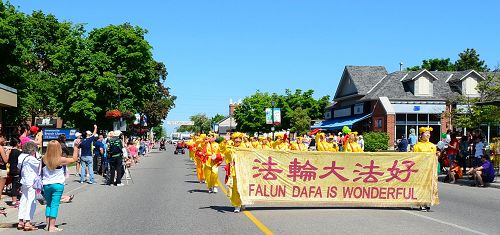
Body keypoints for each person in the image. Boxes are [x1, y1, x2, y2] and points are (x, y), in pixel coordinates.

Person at [42, 140, 79, 232]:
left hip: (46, 185)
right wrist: (76, 147)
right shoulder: (61, 159)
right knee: (55, 205)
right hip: (57, 185)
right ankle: (52, 227)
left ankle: (47, 225)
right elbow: (74, 159)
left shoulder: (44, 158)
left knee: (49, 204)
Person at [17, 141, 40, 231]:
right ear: (33, 150)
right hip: (31, 182)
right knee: (31, 202)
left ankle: (20, 221)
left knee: (23, 200)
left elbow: (19, 167)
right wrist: (37, 157)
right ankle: (27, 222)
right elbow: (40, 166)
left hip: (24, 181)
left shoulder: (21, 157)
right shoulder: (31, 158)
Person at [413, 127, 437, 212]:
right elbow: (414, 158)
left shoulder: (432, 146)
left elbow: (435, 157)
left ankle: (427, 202)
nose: (428, 135)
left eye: (429, 133)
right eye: (426, 133)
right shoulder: (417, 146)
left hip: (430, 169)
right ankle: (421, 203)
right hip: (421, 170)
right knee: (421, 186)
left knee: (429, 187)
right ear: (421, 134)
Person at [8, 137, 22, 208]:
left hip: (12, 170)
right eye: (19, 142)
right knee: (15, 185)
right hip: (17, 171)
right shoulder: (18, 152)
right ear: (17, 143)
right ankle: (14, 201)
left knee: (15, 184)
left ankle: (15, 199)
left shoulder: (10, 152)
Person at [0, 134, 10, 205]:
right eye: (3, 137)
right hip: (1, 169)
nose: (4, 139)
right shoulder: (0, 147)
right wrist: (8, 153)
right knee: (0, 189)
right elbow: (5, 160)